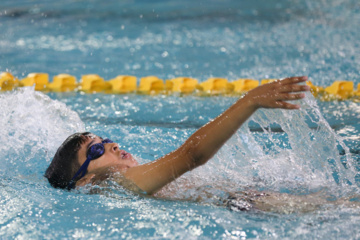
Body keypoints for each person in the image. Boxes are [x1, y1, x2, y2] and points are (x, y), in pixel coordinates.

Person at [48, 76, 355, 213]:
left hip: (244, 198)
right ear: (85, 179)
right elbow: (192, 155)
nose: (112, 146)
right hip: (246, 204)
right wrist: (250, 101)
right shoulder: (115, 184)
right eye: (97, 151)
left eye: (107, 141)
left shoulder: (122, 185)